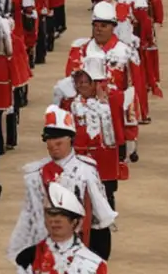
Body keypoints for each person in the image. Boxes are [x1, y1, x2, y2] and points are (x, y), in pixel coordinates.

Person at [9, 106, 118, 260]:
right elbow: (30, 216)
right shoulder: (35, 174)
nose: (53, 144)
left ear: (70, 139)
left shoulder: (86, 171)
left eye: (59, 139)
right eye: (49, 139)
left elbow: (99, 214)